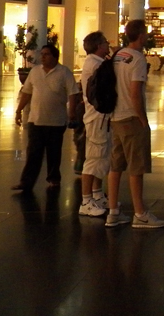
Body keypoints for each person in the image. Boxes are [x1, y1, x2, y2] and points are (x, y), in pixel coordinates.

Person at [105, 20, 164, 229]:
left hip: (115, 116)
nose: (147, 36)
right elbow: (135, 93)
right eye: (146, 33)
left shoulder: (118, 55)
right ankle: (140, 213)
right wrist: (143, 119)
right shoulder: (138, 59)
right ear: (140, 35)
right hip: (131, 117)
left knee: (116, 165)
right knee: (136, 167)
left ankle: (113, 211)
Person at [12, 44, 81, 191]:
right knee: (33, 152)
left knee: (53, 152)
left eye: (46, 54)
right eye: (42, 54)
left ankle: (54, 179)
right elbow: (27, 92)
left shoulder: (64, 72)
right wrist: (19, 110)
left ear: (55, 56)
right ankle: (26, 182)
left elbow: (72, 93)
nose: (43, 57)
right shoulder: (35, 72)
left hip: (56, 121)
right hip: (36, 120)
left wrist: (72, 112)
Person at [78, 31, 111, 216]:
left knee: (101, 157)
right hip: (97, 118)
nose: (108, 44)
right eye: (105, 42)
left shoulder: (96, 63)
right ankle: (86, 200)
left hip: (99, 118)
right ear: (99, 45)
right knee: (93, 158)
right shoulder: (96, 65)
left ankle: (97, 194)